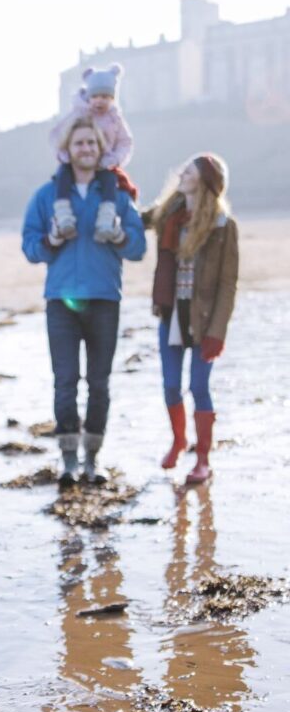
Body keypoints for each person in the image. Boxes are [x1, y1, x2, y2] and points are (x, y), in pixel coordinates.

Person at [22, 116, 147, 488]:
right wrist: (52, 240)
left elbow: (139, 247)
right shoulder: (46, 196)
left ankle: (93, 459)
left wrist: (119, 235)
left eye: (92, 143)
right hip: (61, 301)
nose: (86, 148)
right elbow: (30, 246)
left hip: (105, 298)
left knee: (99, 383)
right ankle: (68, 461)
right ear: (67, 149)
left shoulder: (118, 196)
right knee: (65, 382)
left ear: (101, 148)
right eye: (79, 143)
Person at [142, 154, 238, 485]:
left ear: (206, 180)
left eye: (190, 170)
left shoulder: (223, 226)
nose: (182, 173)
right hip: (171, 314)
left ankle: (203, 460)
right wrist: (117, 185)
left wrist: (217, 333)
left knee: (199, 387)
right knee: (171, 386)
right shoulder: (168, 215)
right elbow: (136, 218)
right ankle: (179, 440)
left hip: (205, 321)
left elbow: (227, 284)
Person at [49, 63, 137, 243]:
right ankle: (64, 216)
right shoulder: (78, 113)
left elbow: (125, 142)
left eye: (105, 97)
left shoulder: (115, 119)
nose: (99, 101)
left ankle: (106, 220)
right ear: (88, 97)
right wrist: (65, 156)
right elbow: (58, 134)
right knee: (63, 177)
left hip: (104, 164)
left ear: (112, 99)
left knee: (110, 182)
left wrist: (114, 159)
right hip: (75, 164)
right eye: (95, 96)